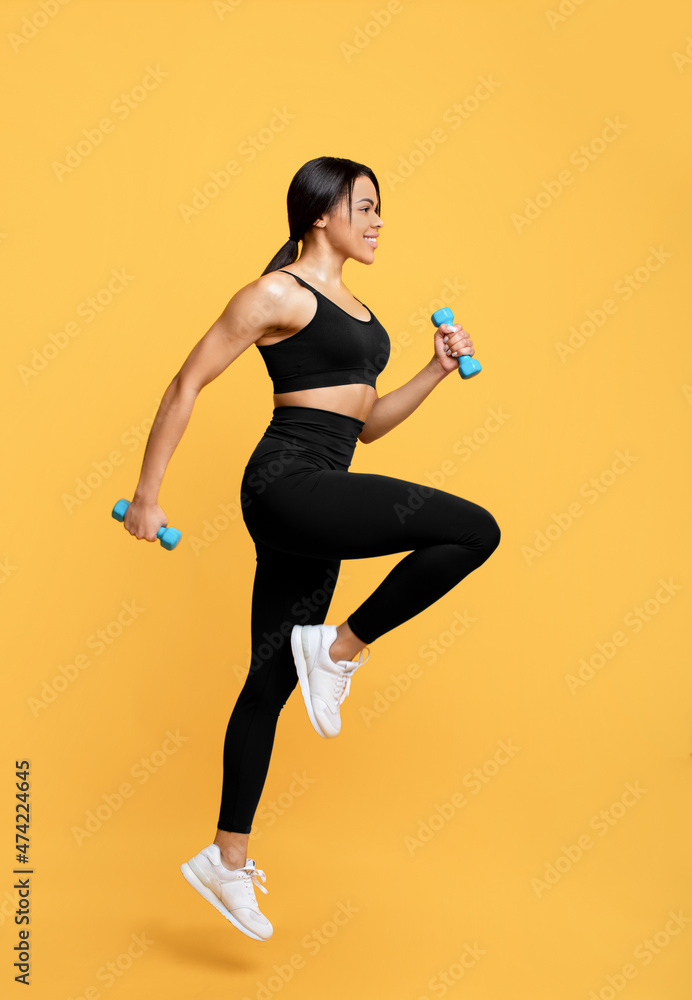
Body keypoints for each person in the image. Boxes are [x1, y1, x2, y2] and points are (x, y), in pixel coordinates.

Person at [122, 155, 501, 942]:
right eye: (365, 206)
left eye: (379, 208)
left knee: (268, 681)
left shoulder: (358, 309)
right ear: (321, 211)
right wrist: (149, 493)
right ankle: (337, 650)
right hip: (286, 484)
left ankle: (224, 861)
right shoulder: (275, 293)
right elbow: (185, 384)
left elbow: (364, 426)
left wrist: (432, 371)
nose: (378, 221)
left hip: (326, 483)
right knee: (473, 529)